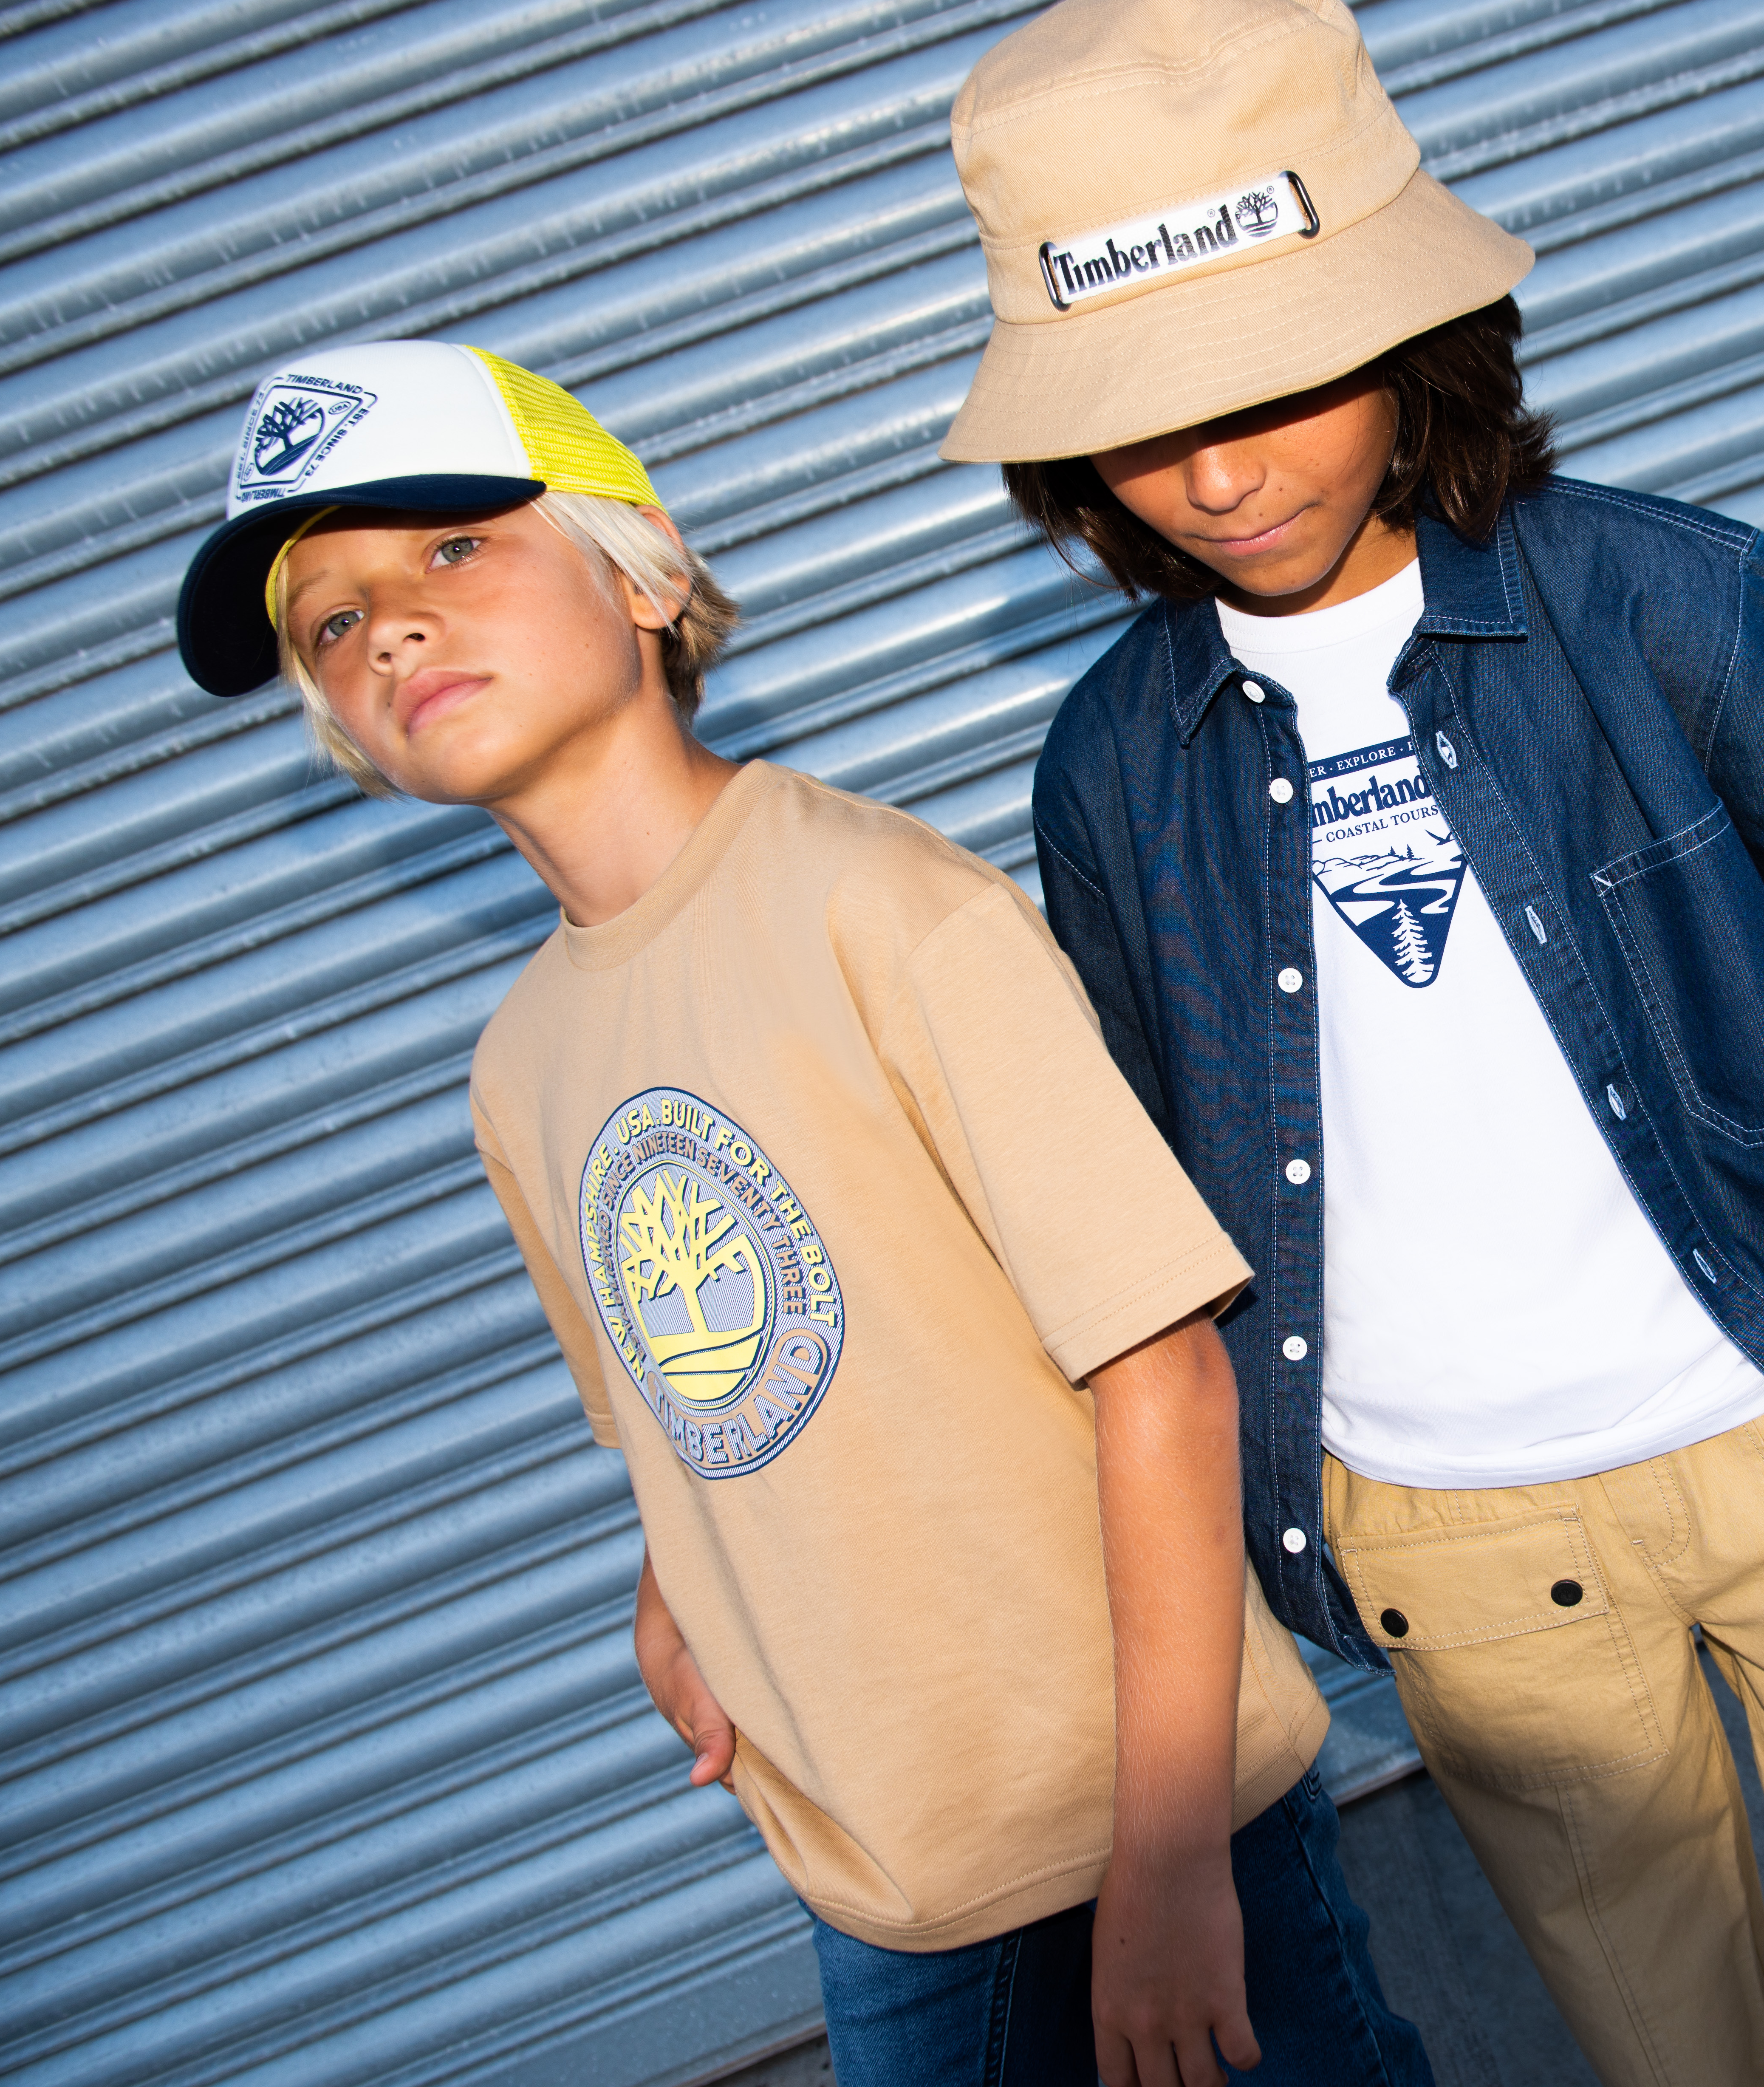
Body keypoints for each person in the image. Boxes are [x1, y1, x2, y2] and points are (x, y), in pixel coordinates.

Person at [939, 1, 1764, 2081]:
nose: (1214, 466)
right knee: (1669, 2044)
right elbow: (1160, 1165)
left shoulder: (1679, 605)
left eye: (1274, 379)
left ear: (1407, 334)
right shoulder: (1111, 762)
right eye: (1142, 413)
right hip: (1448, 1530)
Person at [175, 338, 1436, 2087]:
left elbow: (1163, 1376)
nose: (386, 627)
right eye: (330, 622)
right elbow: (688, 1407)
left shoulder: (885, 914)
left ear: (638, 574)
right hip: (873, 1854)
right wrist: (673, 1596)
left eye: (451, 552)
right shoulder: (522, 1060)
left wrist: (1165, 1859)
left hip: (1111, 1822)